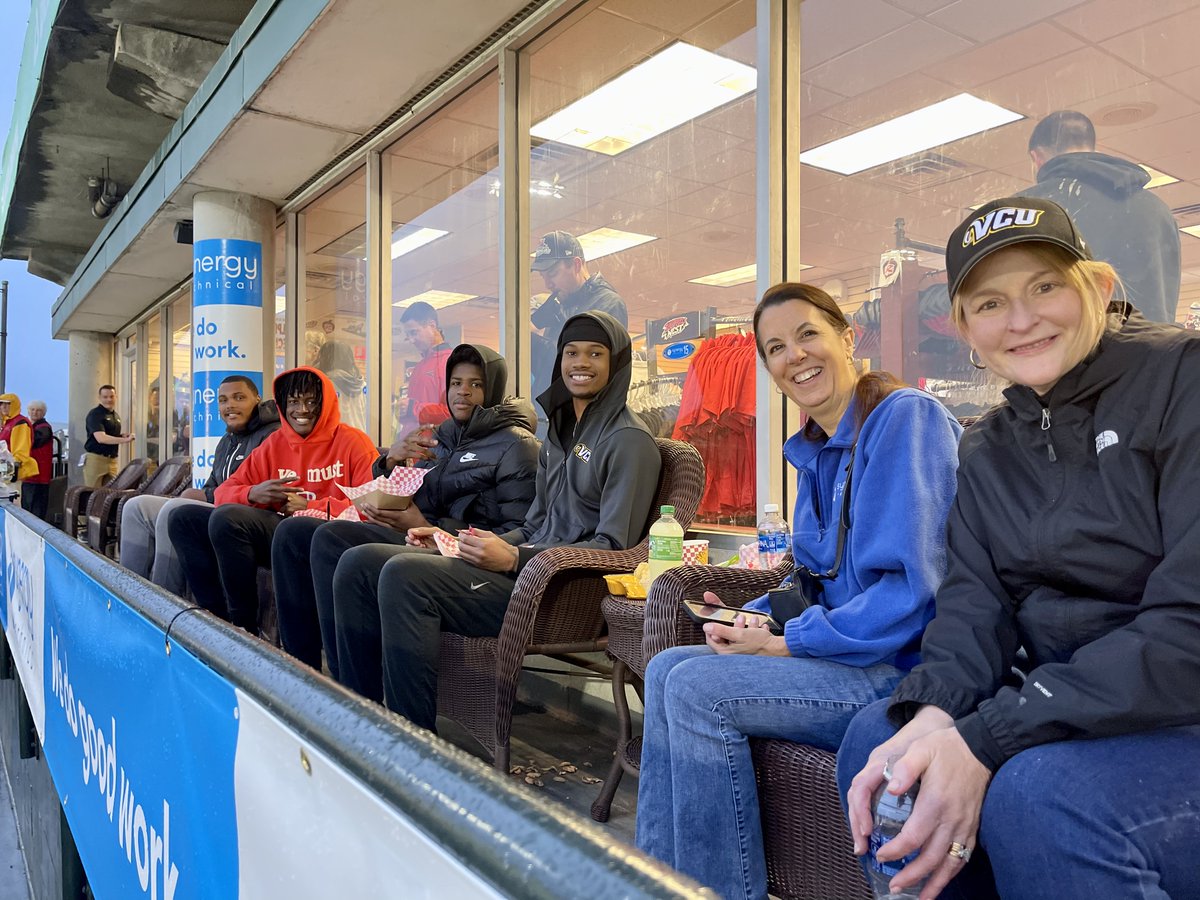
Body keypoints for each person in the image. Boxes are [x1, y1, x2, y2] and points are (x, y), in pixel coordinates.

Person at [839, 197, 1200, 900]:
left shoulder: (1182, 379)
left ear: (1096, 288)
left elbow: (1190, 627)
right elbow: (974, 604)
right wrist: (939, 711)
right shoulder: (988, 444)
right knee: (884, 745)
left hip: (1179, 714)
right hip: (1075, 707)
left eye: (1046, 287)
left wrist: (995, 735)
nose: (1022, 319)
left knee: (1042, 795)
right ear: (966, 330)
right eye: (991, 303)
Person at [634, 283, 962, 899]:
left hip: (901, 670)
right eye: (776, 347)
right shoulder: (813, 453)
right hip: (844, 659)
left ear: (846, 336)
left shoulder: (903, 419)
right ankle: (660, 883)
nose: (796, 356)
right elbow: (808, 582)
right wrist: (751, 617)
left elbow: (914, 595)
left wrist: (787, 646)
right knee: (666, 669)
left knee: (698, 689)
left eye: (809, 334)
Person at [333, 311, 661, 727]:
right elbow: (534, 525)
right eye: (571, 352)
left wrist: (514, 559)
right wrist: (456, 539)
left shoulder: (627, 441)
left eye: (595, 354)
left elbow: (616, 550)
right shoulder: (561, 436)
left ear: (616, 364)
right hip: (522, 571)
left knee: (402, 575)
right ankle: (356, 716)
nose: (581, 363)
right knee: (359, 562)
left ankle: (410, 740)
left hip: (559, 596)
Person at [271, 344, 540, 677]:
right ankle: (308, 671)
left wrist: (429, 527)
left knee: (355, 558)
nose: (463, 392)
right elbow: (413, 494)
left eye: (476, 384)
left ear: (493, 389)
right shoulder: (443, 436)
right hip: (419, 533)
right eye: (456, 383)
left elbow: (520, 530)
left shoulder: (517, 444)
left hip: (464, 555)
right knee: (302, 533)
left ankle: (353, 686)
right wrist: (389, 463)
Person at [168, 368, 377, 631]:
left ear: (326, 402)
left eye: (311, 401)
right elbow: (223, 491)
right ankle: (216, 621)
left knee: (228, 519)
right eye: (293, 401)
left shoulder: (353, 442)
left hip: (323, 537)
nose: (302, 409)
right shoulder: (274, 443)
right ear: (283, 404)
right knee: (183, 517)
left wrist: (311, 507)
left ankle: (244, 627)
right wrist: (252, 493)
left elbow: (371, 508)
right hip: (277, 532)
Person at [119, 376, 279, 594]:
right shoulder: (227, 441)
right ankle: (130, 591)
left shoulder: (272, 435)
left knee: (176, 511)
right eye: (223, 400)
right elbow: (213, 485)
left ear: (257, 399)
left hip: (240, 518)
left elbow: (261, 492)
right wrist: (204, 495)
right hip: (218, 507)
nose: (229, 405)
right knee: (136, 507)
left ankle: (163, 599)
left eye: (239, 397)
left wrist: (207, 496)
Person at [1021, 110, 1180, 323]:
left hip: (1074, 353)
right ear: (1092, 147)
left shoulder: (1027, 210)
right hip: (1152, 351)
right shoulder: (1157, 210)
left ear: (1036, 157)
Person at [530, 231, 628, 400]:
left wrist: (531, 341)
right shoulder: (561, 307)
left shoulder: (607, 305)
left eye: (552, 274)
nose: (548, 284)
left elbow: (583, 369)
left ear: (576, 265)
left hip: (582, 417)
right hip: (554, 414)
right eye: (543, 276)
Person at [398, 301, 453, 429]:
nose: (411, 340)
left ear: (432, 326)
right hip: (412, 443)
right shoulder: (420, 366)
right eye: (408, 335)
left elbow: (453, 413)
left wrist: (413, 408)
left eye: (414, 332)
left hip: (433, 445)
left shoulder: (451, 363)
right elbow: (413, 415)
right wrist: (405, 411)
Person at [83, 385, 133, 486]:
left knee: (111, 492)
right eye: (105, 397)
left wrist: (122, 436)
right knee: (93, 493)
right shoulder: (95, 414)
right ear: (99, 398)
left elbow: (110, 435)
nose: (109, 400)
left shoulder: (115, 415)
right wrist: (125, 440)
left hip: (112, 460)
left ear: (116, 397)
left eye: (111, 396)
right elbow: (101, 438)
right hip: (96, 459)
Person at [22, 400, 53, 521]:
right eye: (32, 409)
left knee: (34, 508)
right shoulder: (33, 427)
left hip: (38, 476)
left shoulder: (43, 428)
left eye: (38, 410)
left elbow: (32, 442)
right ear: (28, 411)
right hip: (32, 475)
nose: (35, 412)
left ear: (44, 413)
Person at [0, 393, 37, 497]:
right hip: (6, 470)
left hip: (12, 473)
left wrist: (8, 474)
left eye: (7, 404)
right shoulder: (8, 423)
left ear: (14, 405)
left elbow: (21, 452)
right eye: (1, 404)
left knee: (12, 503)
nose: (3, 406)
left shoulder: (20, 423)